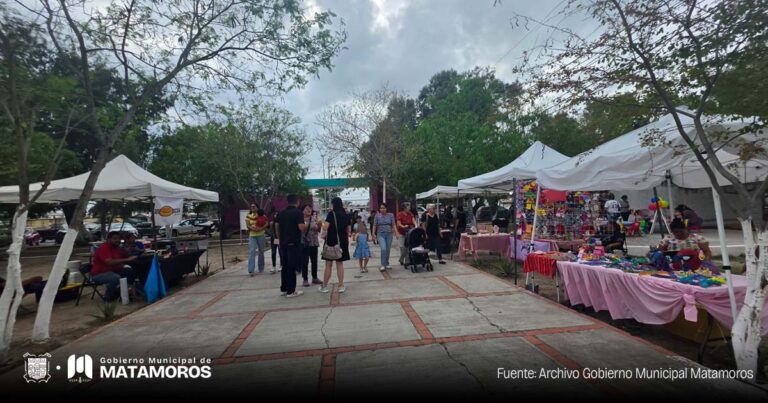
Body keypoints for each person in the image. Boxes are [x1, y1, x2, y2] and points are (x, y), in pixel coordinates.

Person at [275, 195, 307, 298]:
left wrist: (279, 238)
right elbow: (301, 227)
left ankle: (284, 288)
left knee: (285, 266)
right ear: (297, 201)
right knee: (292, 267)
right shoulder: (298, 213)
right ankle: (291, 291)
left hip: (283, 243)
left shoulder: (282, 212)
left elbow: (276, 225)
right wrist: (306, 224)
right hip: (294, 243)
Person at [91, 231, 136, 301]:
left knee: (129, 271)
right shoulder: (104, 248)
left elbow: (126, 255)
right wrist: (127, 259)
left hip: (113, 271)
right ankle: (108, 297)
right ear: (108, 240)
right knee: (115, 277)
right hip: (99, 274)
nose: (117, 240)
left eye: (119, 238)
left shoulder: (117, 248)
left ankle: (126, 292)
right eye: (114, 238)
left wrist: (130, 252)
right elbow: (109, 262)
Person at [320, 197, 351, 293]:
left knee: (328, 264)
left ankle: (324, 286)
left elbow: (325, 227)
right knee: (339, 264)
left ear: (334, 204)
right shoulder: (346, 215)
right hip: (342, 242)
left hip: (331, 242)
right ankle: (341, 285)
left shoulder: (331, 214)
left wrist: (321, 223)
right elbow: (349, 230)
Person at [300, 205, 323, 287]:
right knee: (304, 262)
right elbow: (301, 230)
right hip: (305, 243)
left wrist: (320, 225)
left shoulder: (314, 219)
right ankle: (305, 279)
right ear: (302, 211)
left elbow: (318, 230)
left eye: (310, 208)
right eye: (306, 208)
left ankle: (314, 278)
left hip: (314, 243)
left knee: (314, 261)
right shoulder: (300, 220)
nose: (309, 210)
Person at [245, 204, 268, 276]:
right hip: (252, 235)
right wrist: (252, 228)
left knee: (261, 251)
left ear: (257, 207)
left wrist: (261, 228)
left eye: (254, 206)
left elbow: (266, 223)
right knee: (252, 251)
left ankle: (261, 268)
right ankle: (251, 270)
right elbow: (247, 225)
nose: (252, 208)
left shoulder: (262, 215)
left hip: (260, 235)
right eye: (251, 207)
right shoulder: (248, 216)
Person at [373, 203, 396, 272]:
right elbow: (374, 225)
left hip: (389, 234)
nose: (382, 209)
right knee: (383, 249)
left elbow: (393, 224)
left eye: (383, 208)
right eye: (381, 208)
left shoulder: (391, 215)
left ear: (386, 209)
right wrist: (373, 233)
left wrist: (396, 233)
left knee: (388, 249)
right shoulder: (377, 216)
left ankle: (387, 263)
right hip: (380, 234)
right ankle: (383, 265)